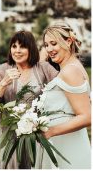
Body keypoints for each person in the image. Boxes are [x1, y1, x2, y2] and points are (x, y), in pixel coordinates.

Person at [0, 30, 58, 169]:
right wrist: (3, 83)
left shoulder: (43, 68)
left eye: (22, 46)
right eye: (14, 46)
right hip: (11, 135)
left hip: (38, 135)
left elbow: (63, 87)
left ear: (31, 48)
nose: (17, 51)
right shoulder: (3, 69)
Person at [34, 22, 91, 169]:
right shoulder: (71, 68)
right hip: (63, 141)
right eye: (46, 45)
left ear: (68, 41)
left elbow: (87, 116)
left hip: (66, 144)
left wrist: (51, 131)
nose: (49, 49)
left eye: (54, 43)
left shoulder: (70, 71)